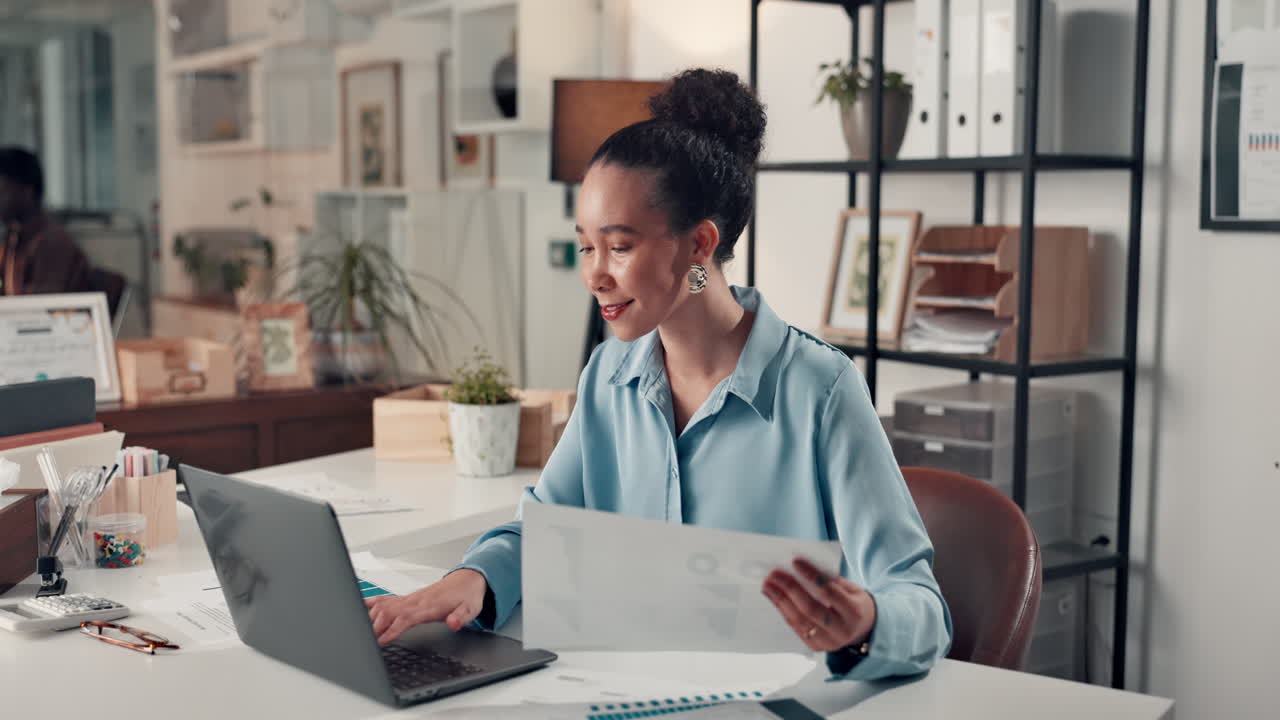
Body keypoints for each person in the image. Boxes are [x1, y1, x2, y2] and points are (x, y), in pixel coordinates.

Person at [367, 69, 952, 679]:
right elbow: (542, 531)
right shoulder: (608, 376)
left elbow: (922, 607)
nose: (594, 275)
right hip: (626, 692)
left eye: (618, 247)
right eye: (586, 246)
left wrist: (866, 624)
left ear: (699, 246)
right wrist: (471, 581)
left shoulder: (821, 389)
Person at [0, 146, 92, 295]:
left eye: (1, 191)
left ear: (26, 191)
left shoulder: (52, 242)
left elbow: (42, 308)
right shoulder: (14, 237)